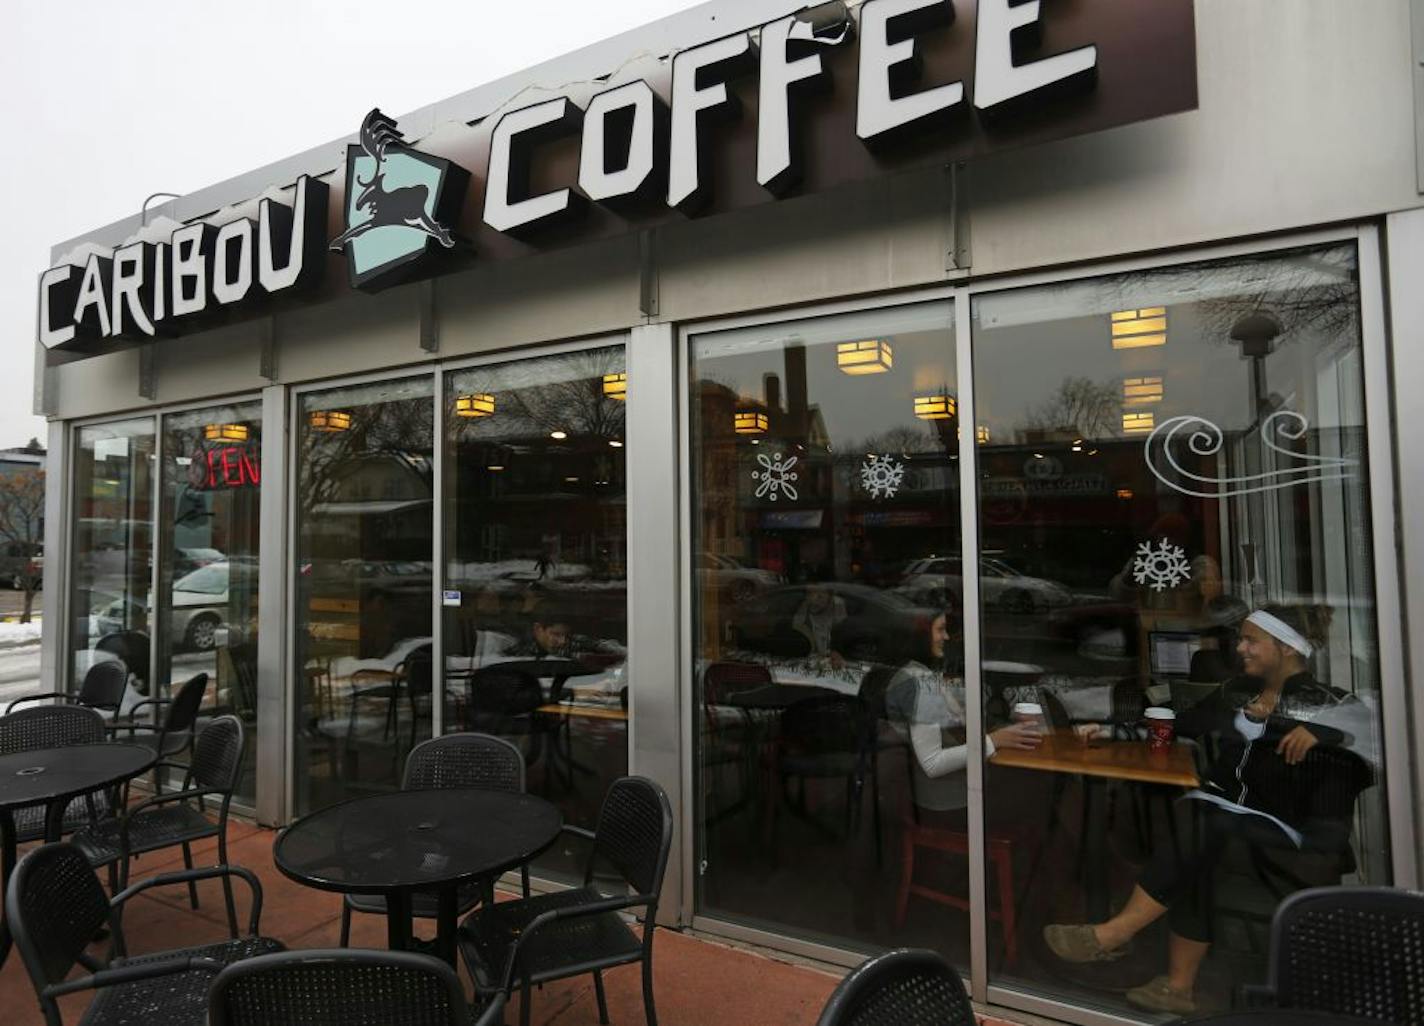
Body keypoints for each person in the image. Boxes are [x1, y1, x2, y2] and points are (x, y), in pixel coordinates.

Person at [1043, 603, 1372, 1016]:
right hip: (1232, 823)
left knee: (1202, 827)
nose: (1242, 648)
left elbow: (1373, 728)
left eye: (1252, 640)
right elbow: (1180, 726)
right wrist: (1107, 729)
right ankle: (1178, 987)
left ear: (1287, 648)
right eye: (1242, 639)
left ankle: (1113, 933)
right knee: (1196, 839)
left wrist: (1326, 730)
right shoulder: (1238, 691)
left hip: (1296, 838)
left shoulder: (1327, 703)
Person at [886, 610, 1041, 827]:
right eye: (940, 629)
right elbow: (932, 763)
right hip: (950, 805)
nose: (947, 637)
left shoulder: (910, 673)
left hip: (928, 797)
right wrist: (994, 741)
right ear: (919, 635)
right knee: (1036, 797)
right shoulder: (922, 685)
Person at [791, 576, 847, 665]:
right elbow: (797, 628)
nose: (814, 597)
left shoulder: (838, 605)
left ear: (830, 595)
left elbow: (842, 629)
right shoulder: (803, 610)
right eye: (809, 593)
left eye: (820, 594)